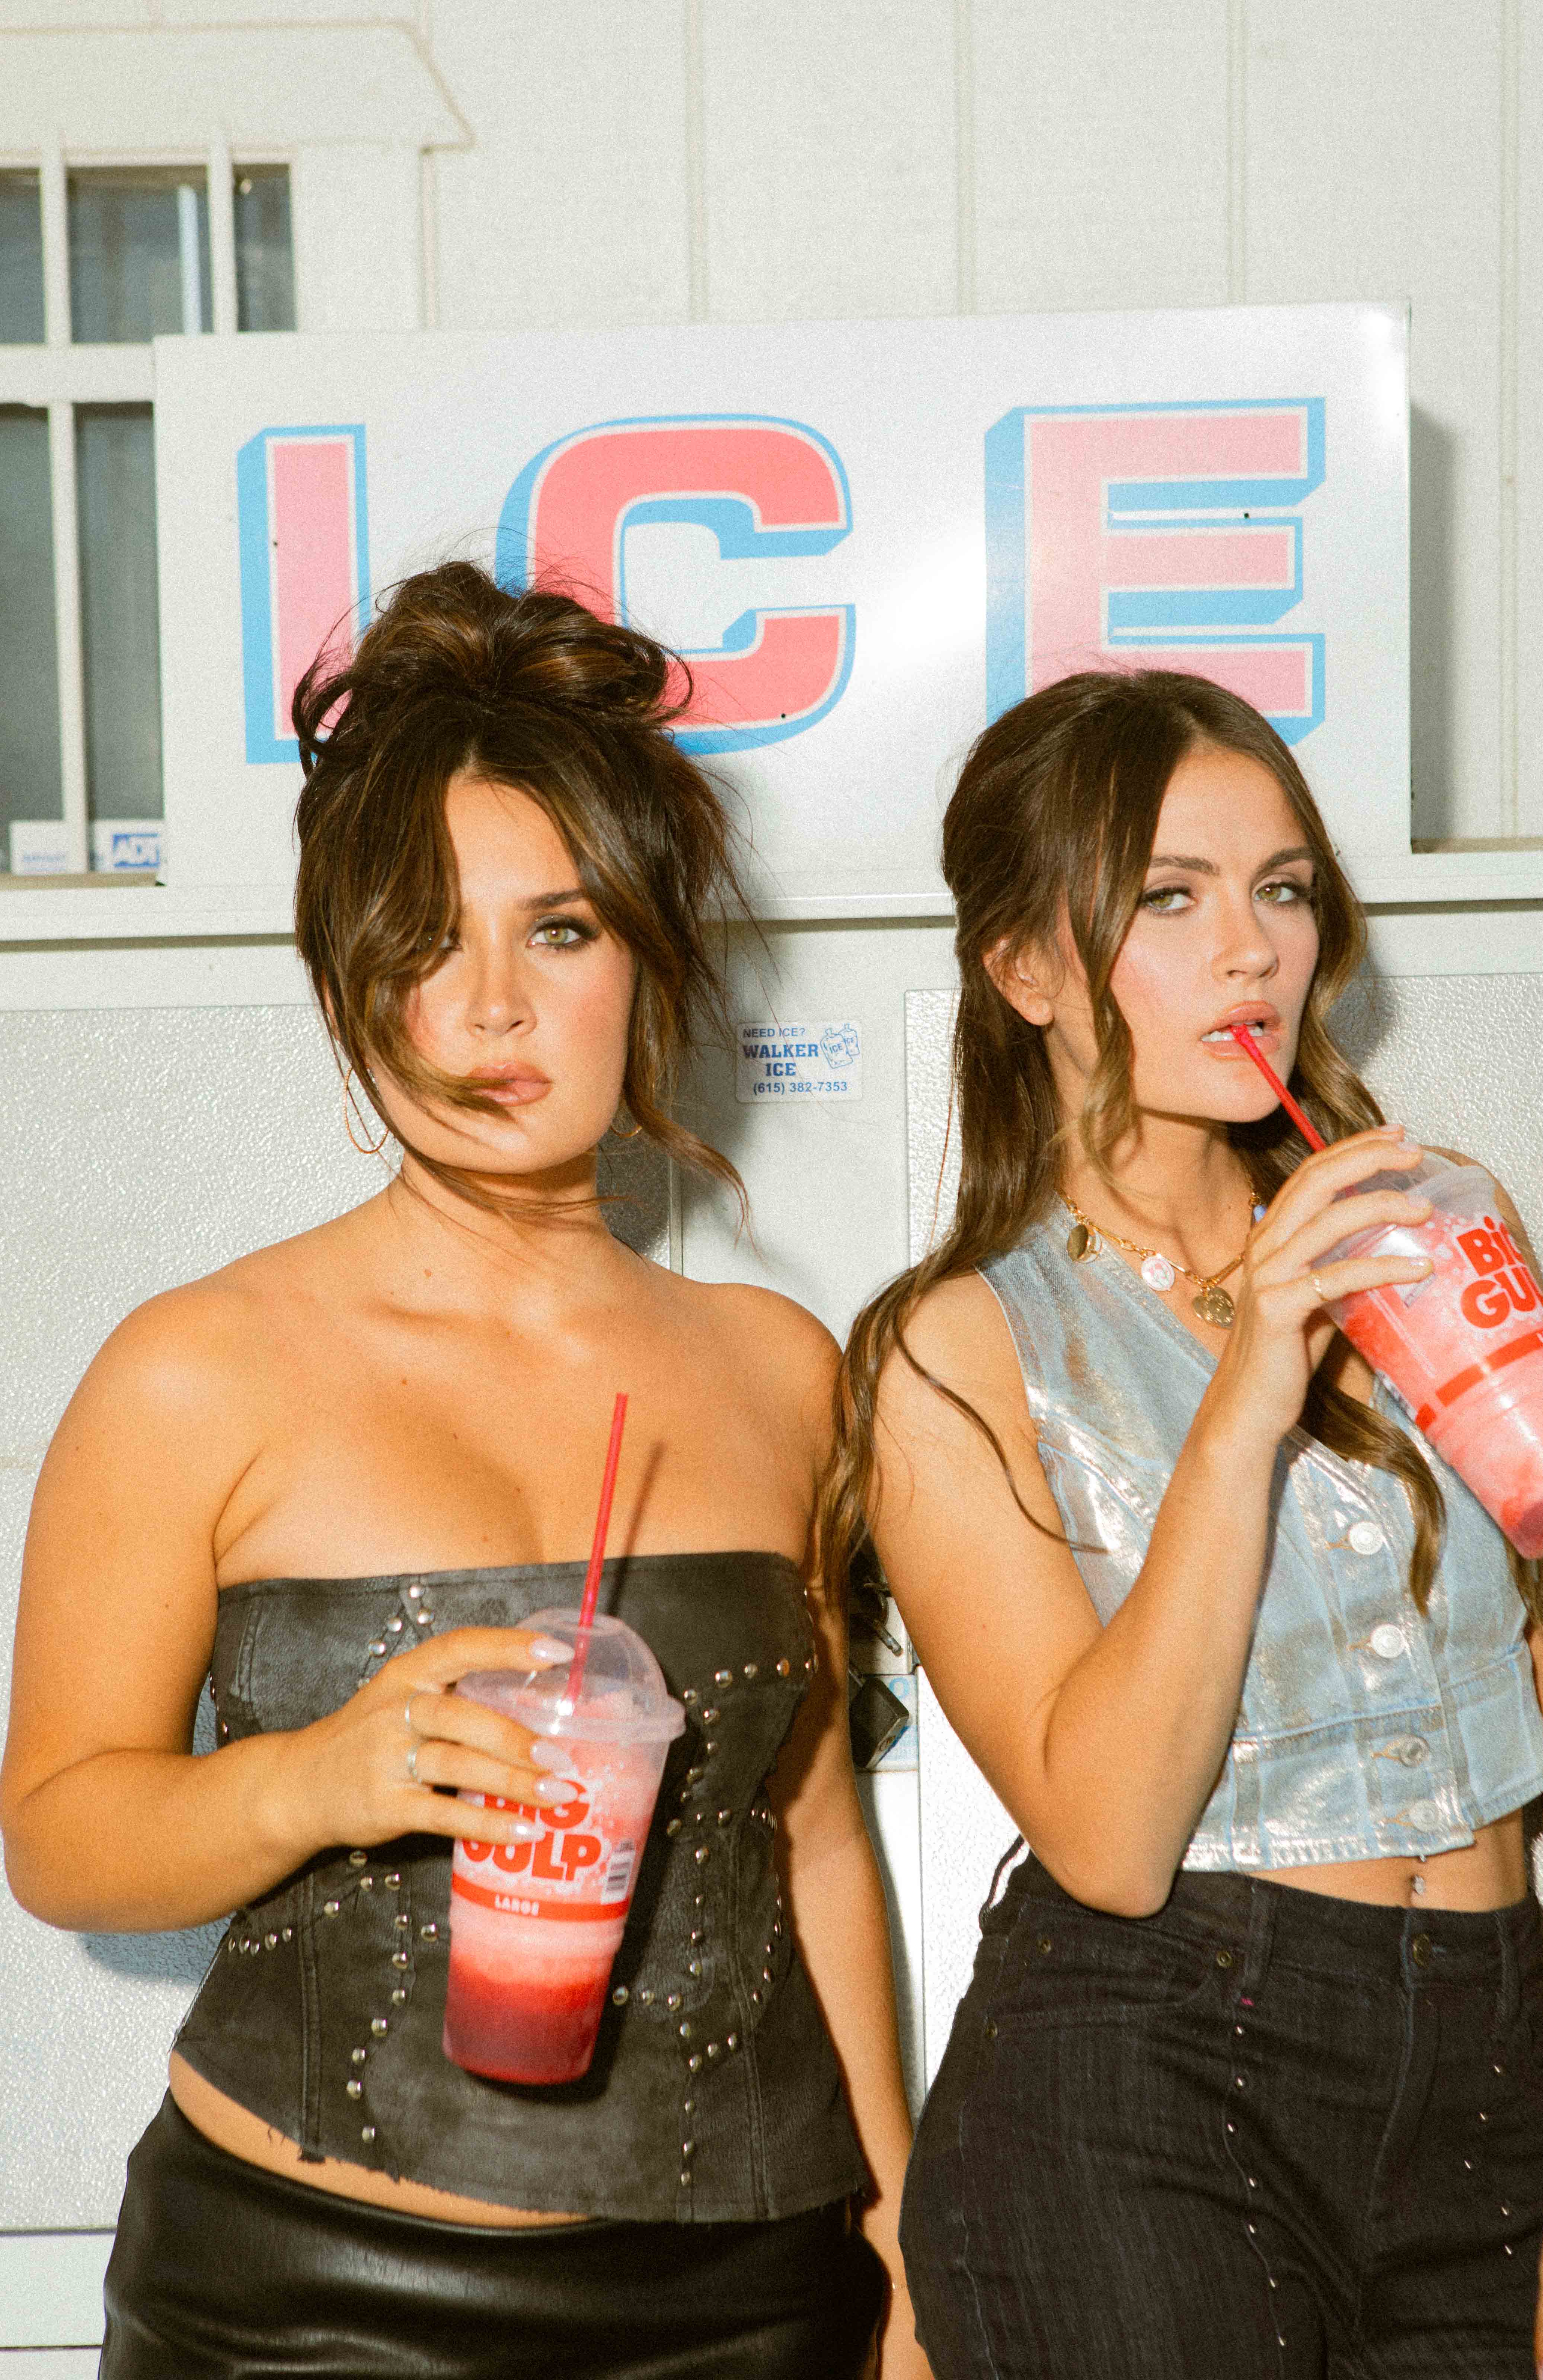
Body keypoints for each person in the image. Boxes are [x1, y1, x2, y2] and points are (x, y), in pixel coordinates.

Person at [0, 563, 927, 2379]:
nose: (493, 1006)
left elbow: (811, 1837)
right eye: (429, 940)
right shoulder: (198, 1367)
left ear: (651, 958)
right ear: (350, 984)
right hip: (307, 2303)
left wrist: (904, 2247)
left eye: (560, 931)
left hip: (762, 2293)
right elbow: (57, 1834)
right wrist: (316, 1781)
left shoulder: (779, 1371)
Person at [825, 670, 1543, 2378]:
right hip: (1145, 2071)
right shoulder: (951, 1348)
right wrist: (1248, 1383)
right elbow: (1113, 1840)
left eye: (1281, 888)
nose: (1252, 949)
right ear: (1026, 966)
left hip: (1499, 2055)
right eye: (1168, 896)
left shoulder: (1435, 1225)